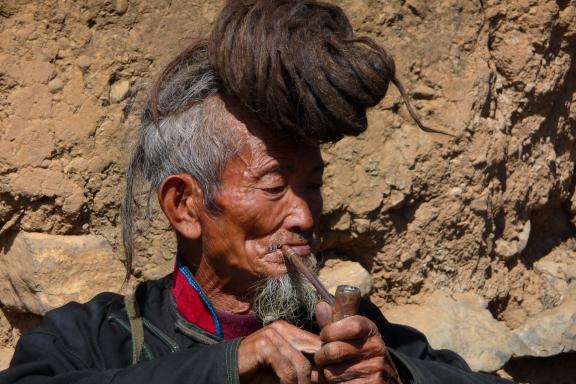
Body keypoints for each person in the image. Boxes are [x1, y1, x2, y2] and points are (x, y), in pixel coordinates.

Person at [0, 1, 512, 383]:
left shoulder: (345, 337)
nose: (305, 217)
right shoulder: (94, 338)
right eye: (273, 185)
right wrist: (228, 365)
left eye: (313, 185)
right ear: (185, 205)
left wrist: (395, 375)